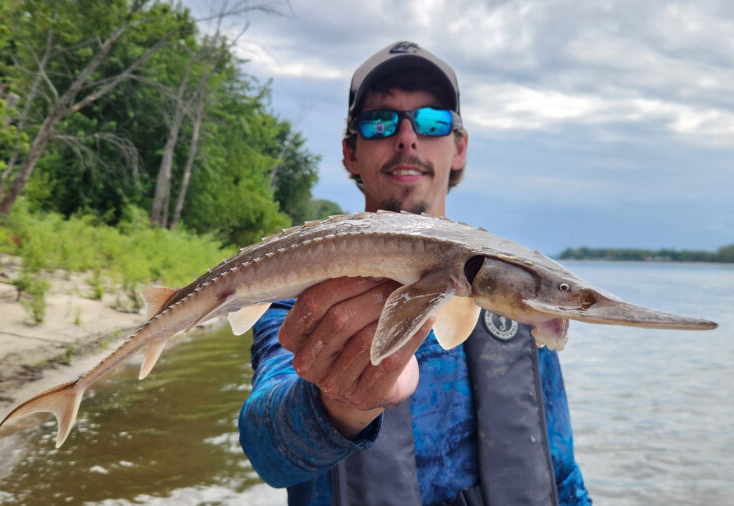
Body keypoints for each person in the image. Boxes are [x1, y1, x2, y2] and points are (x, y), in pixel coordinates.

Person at [239, 41, 591, 506]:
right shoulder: (295, 288)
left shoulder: (514, 290)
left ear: (458, 147)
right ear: (350, 152)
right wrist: (337, 405)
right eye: (381, 122)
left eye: (432, 122)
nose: (407, 138)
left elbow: (561, 470)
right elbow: (268, 454)